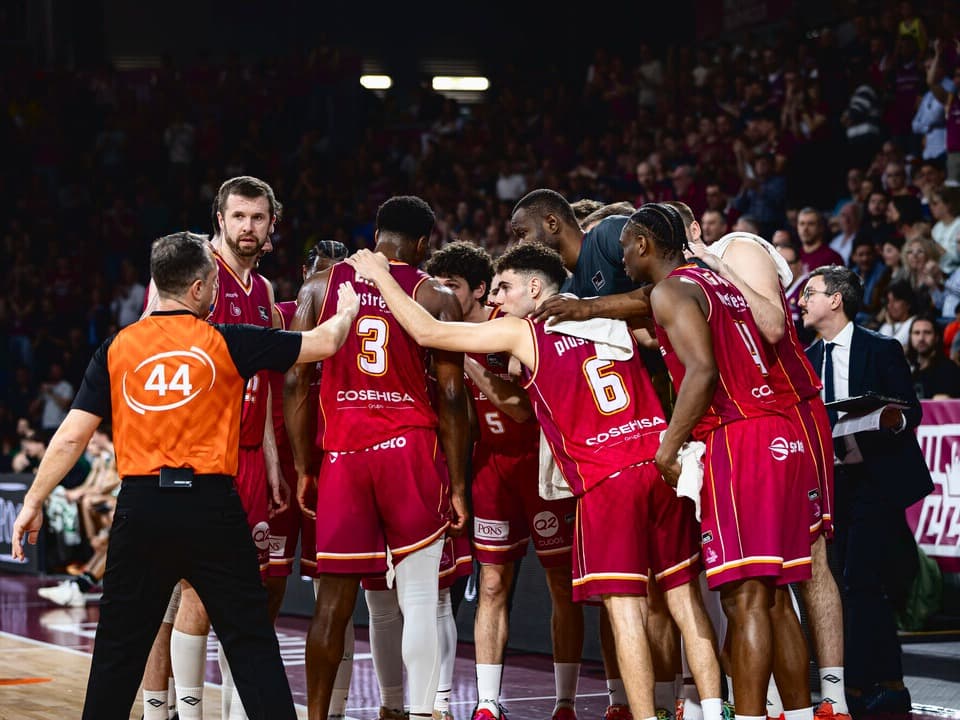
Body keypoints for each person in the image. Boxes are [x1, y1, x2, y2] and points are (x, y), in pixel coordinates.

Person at [347, 242, 724, 720]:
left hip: (607, 479)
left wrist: (380, 275)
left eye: (504, 288)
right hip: (658, 463)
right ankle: (713, 710)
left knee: (626, 610)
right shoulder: (605, 316)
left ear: (533, 288)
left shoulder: (520, 332)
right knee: (685, 603)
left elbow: (428, 329)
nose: (498, 299)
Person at [10, 231, 360, 720]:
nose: (218, 290)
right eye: (214, 281)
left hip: (142, 507)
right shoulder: (228, 341)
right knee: (251, 643)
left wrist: (33, 502)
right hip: (211, 507)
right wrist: (346, 308)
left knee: (116, 651)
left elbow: (70, 437)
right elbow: (322, 343)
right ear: (198, 289)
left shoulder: (117, 347)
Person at [621, 204, 814, 720]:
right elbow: (641, 302)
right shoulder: (710, 284)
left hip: (738, 441)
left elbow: (702, 373)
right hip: (781, 434)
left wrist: (668, 445)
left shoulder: (672, 291)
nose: (620, 256)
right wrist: (580, 310)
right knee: (775, 598)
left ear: (643, 243)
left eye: (623, 245)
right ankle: (798, 714)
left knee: (743, 601)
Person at [284, 196, 470, 720]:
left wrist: (304, 465)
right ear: (423, 243)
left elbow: (296, 376)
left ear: (377, 233)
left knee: (331, 607)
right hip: (410, 448)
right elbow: (454, 398)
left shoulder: (319, 286)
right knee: (419, 603)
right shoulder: (435, 294)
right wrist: (457, 483)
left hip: (344, 452)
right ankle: (417, 713)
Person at [425, 241, 584, 720]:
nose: (442, 295)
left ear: (478, 291)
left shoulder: (509, 323)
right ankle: (488, 703)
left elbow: (518, 407)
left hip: (539, 465)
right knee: (491, 585)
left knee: (561, 585)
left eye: (451, 286)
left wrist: (473, 362)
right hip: (491, 470)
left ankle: (565, 701)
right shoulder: (448, 336)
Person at [799, 265, 933, 715]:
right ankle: (882, 685)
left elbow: (909, 411)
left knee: (859, 583)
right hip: (832, 485)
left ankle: (865, 686)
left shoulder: (882, 348)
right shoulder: (805, 357)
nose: (802, 300)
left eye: (811, 293)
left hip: (875, 480)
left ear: (836, 299)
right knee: (849, 586)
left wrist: (885, 417)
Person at [906, 314, 960, 398]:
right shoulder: (906, 369)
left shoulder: (948, 369)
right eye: (916, 333)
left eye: (927, 333)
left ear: (936, 337)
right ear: (910, 337)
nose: (921, 338)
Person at [797, 208, 844, 272]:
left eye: (811, 224)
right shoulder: (794, 256)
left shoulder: (832, 257)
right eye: (802, 224)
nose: (805, 228)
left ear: (821, 227)